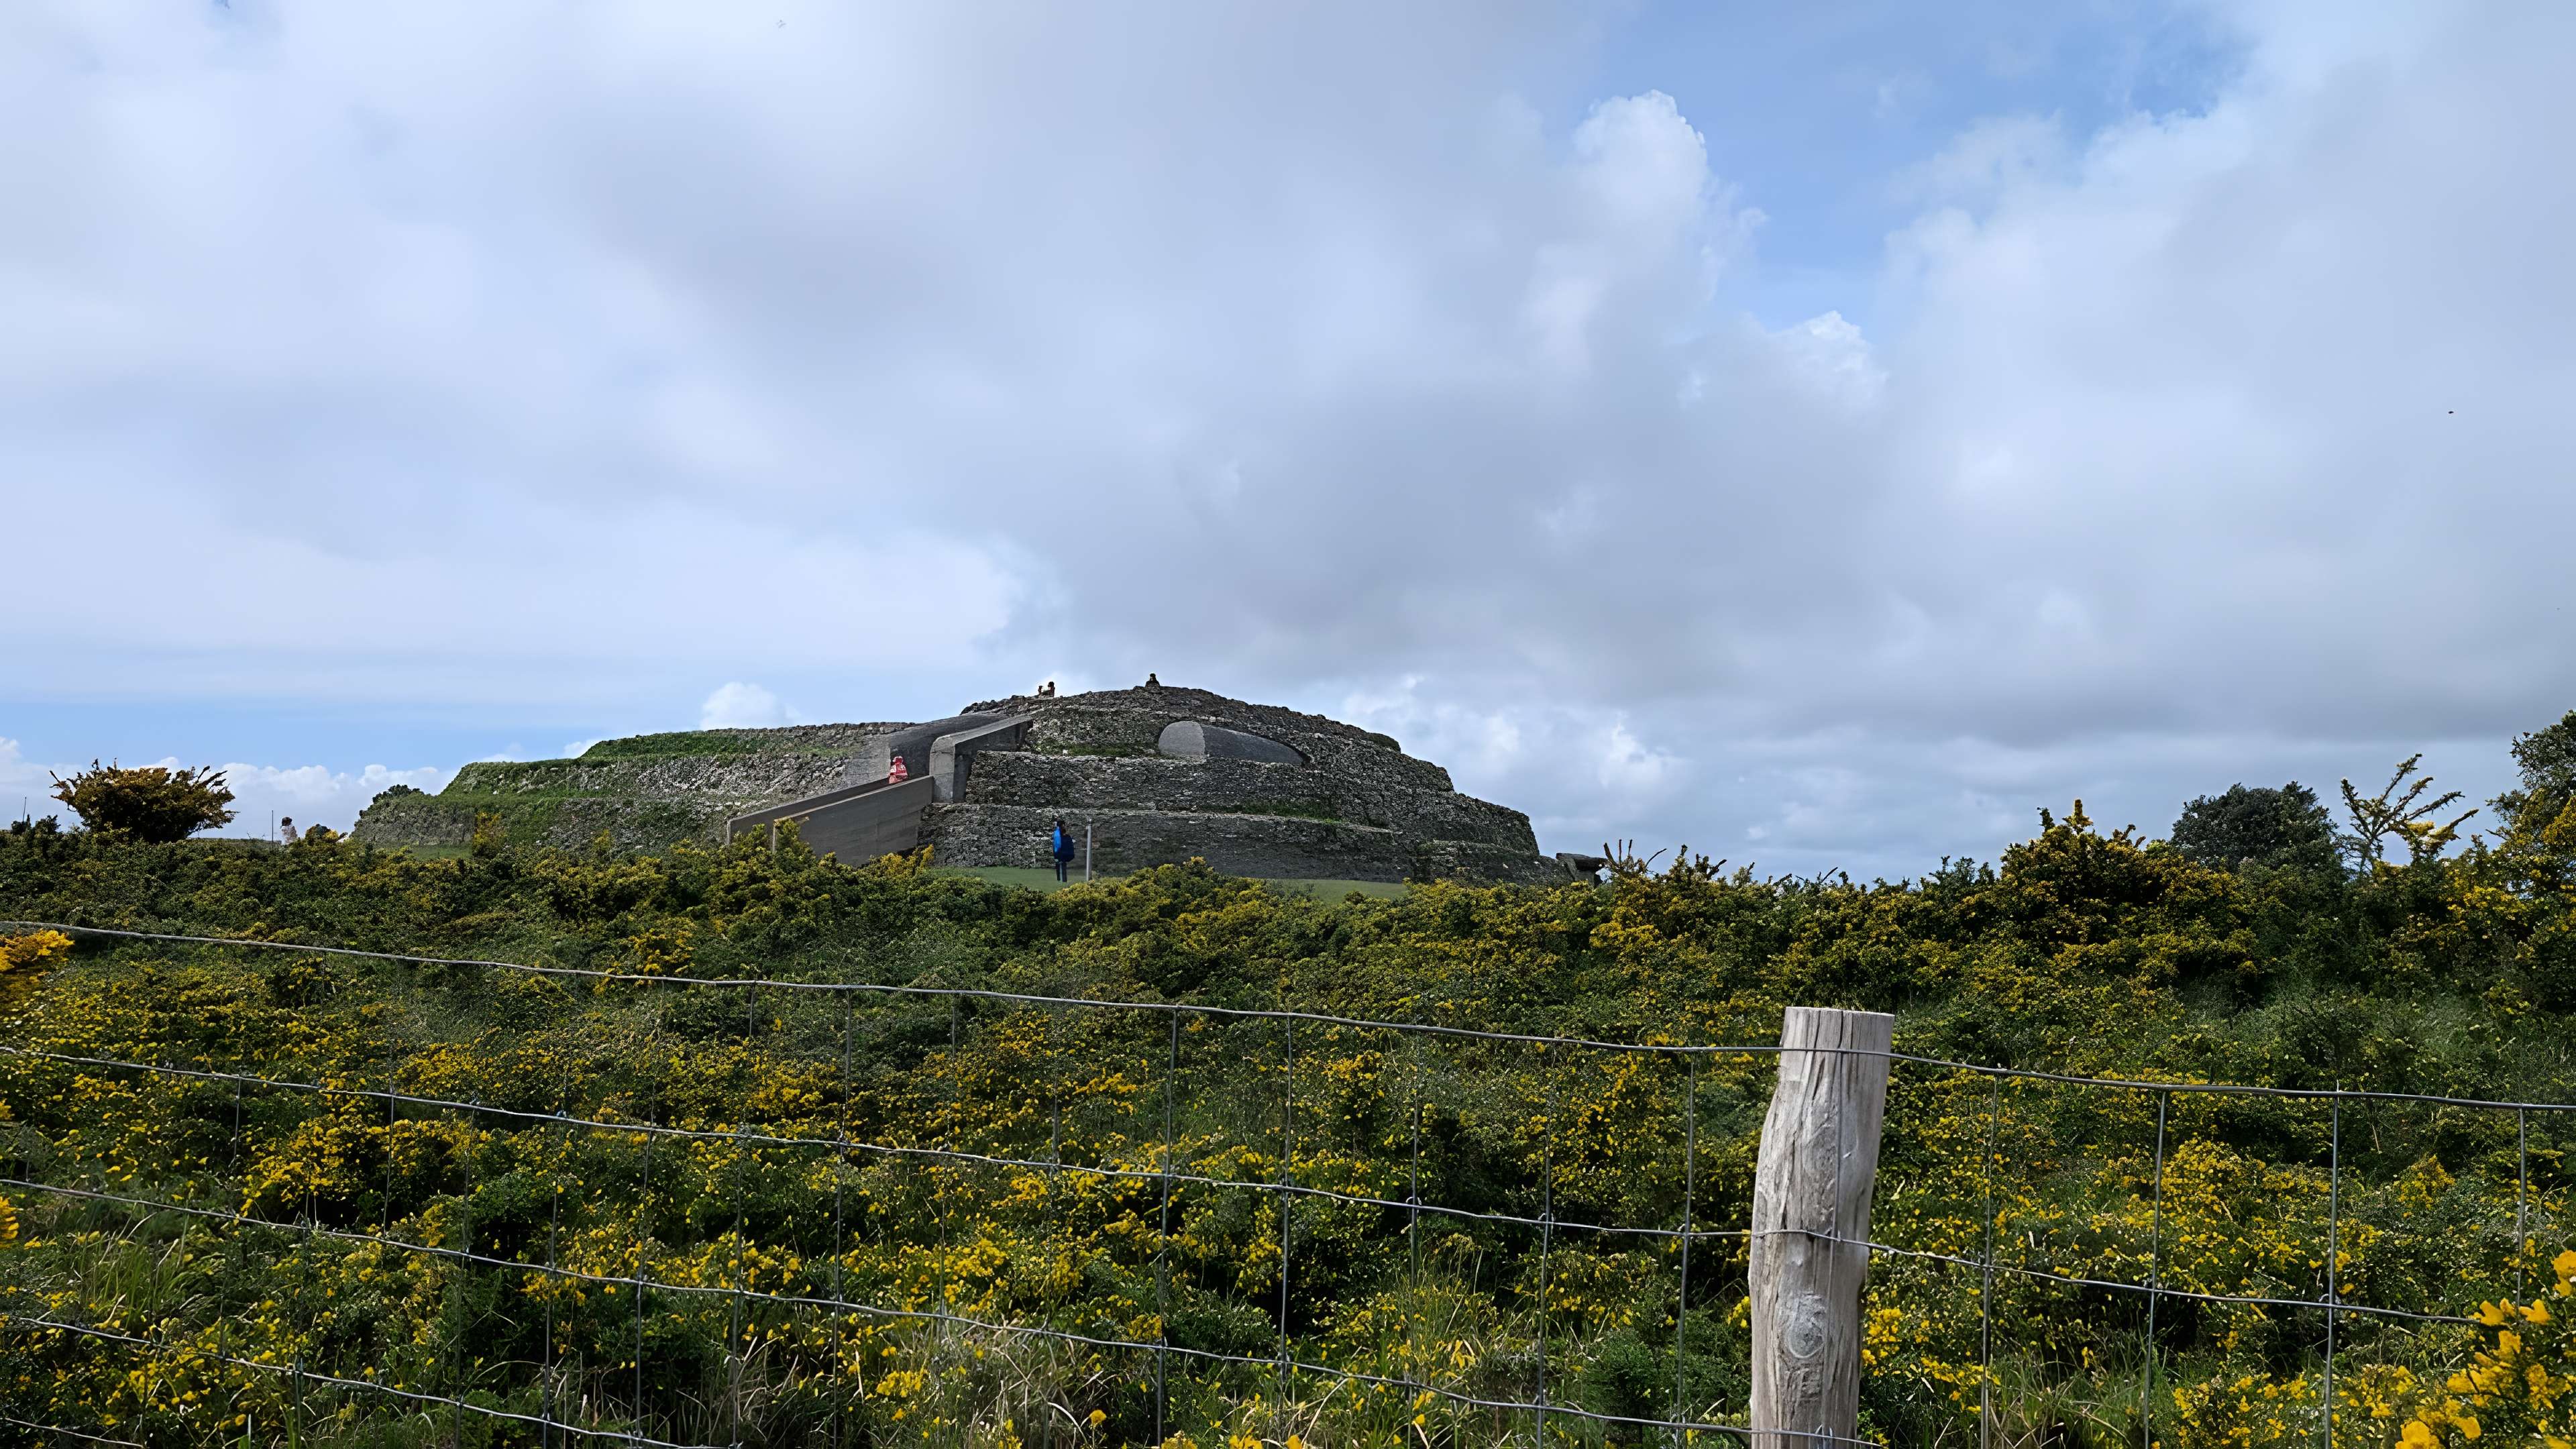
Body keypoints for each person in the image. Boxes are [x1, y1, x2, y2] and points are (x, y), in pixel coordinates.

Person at [1051, 816, 1076, 883]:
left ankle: (1060, 879)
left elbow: (1055, 843)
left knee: (1060, 866)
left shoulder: (1057, 833)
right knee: (1062, 866)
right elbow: (1058, 844)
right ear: (1062, 825)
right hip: (1060, 852)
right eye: (1064, 825)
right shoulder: (1058, 833)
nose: (1065, 826)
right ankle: (1062, 880)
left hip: (1059, 852)